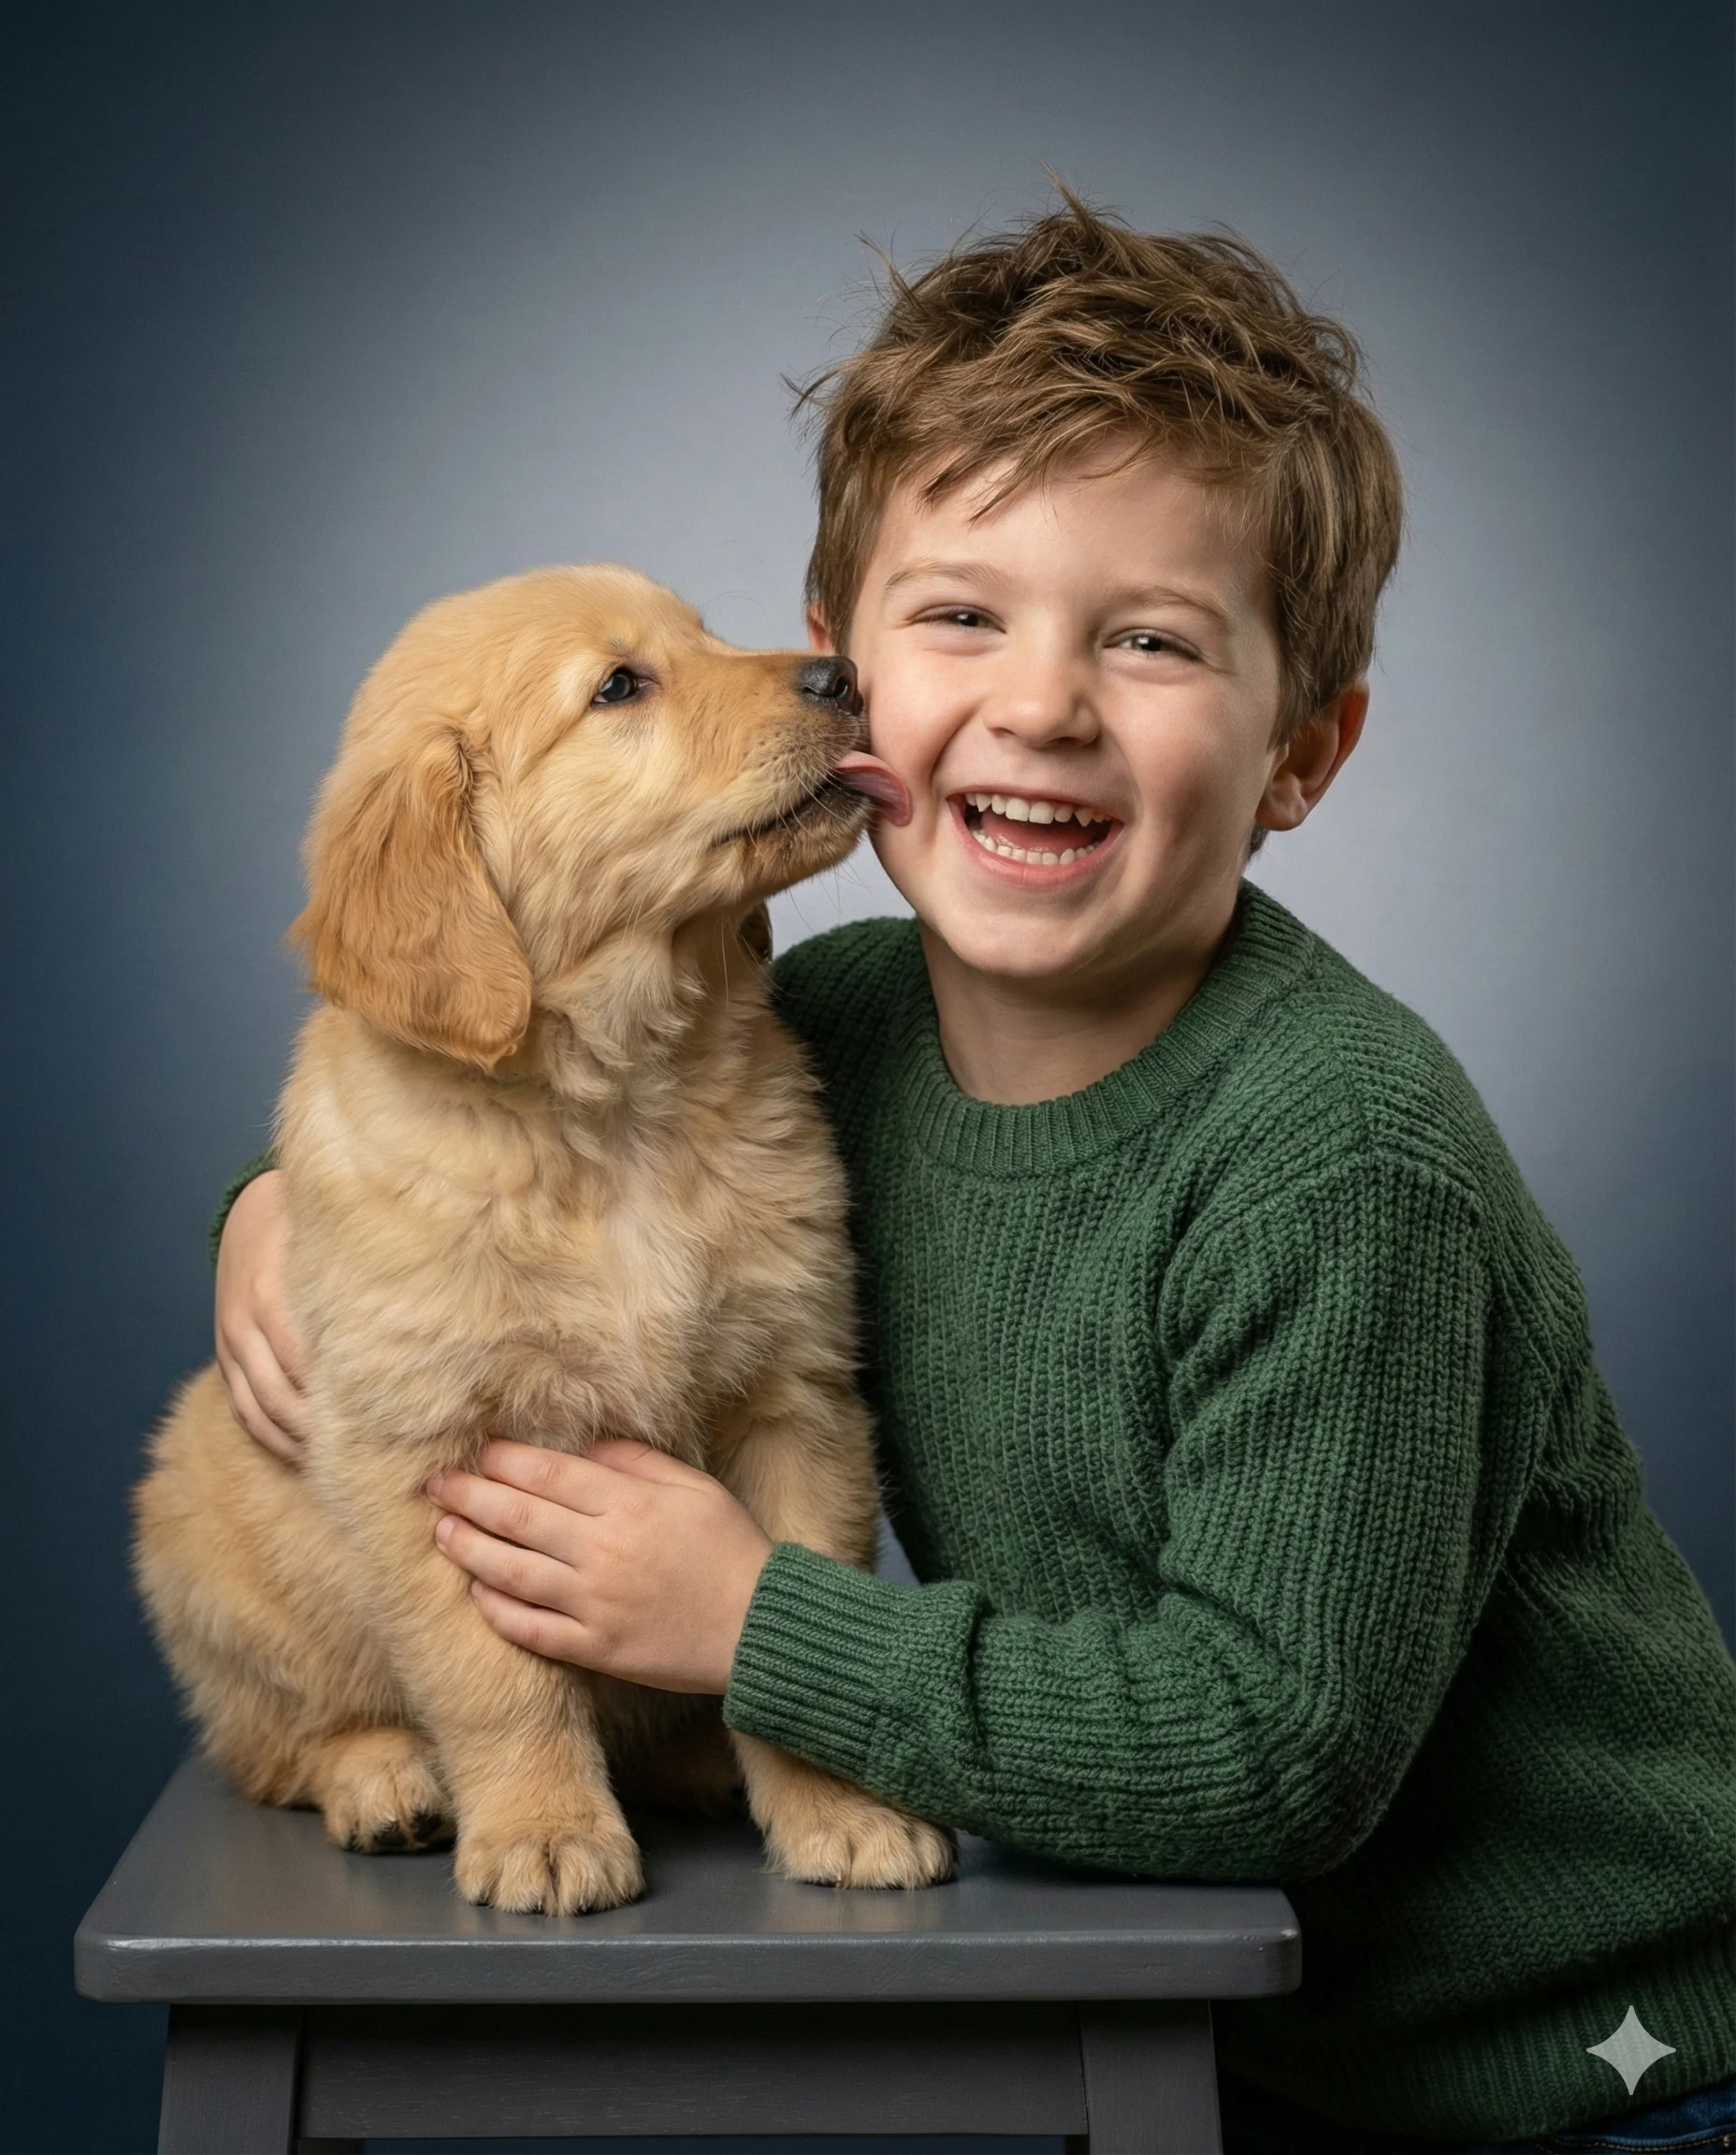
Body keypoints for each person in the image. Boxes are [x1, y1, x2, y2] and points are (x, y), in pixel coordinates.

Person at [207, 200, 1736, 2152]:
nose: (1040, 704)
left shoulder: (1342, 1160)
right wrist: (264, 1210)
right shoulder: (821, 1025)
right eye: (960, 617)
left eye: (1154, 639)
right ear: (838, 683)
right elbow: (484, 1097)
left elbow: (1264, 1756)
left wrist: (749, 1622)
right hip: (1202, 2034)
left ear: (1303, 750)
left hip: (1575, 2071)